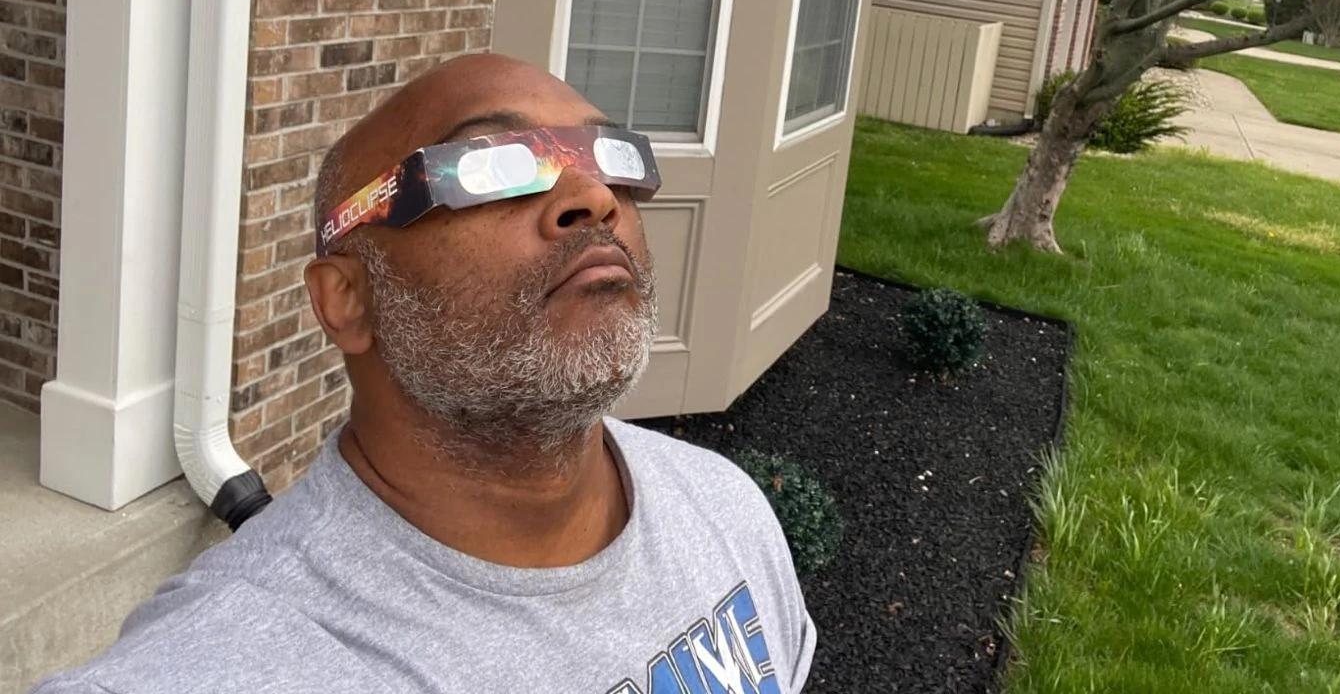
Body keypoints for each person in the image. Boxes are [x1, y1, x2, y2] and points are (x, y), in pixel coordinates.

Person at [34, 53, 815, 694]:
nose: (593, 197)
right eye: (492, 166)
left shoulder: (726, 512)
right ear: (345, 298)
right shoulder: (239, 656)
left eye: (610, 160)